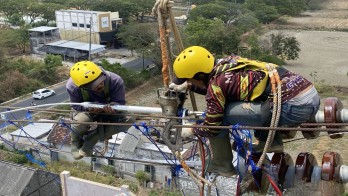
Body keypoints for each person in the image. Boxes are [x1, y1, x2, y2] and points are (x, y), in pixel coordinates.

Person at [170, 46, 320, 176]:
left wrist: (191, 129)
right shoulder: (228, 62)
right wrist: (191, 87)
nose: (188, 82)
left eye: (189, 79)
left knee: (222, 116)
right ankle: (271, 141)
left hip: (294, 107)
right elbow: (223, 90)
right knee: (246, 103)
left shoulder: (216, 84)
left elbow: (212, 125)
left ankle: (222, 165)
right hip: (309, 95)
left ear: (200, 75)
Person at [66, 61, 135, 160]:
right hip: (89, 111)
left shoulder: (115, 80)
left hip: (109, 110)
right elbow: (76, 106)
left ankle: (93, 138)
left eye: (101, 80)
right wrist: (89, 108)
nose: (100, 85)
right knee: (80, 122)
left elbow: (120, 102)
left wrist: (114, 107)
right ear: (84, 87)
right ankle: (76, 141)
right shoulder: (73, 87)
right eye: (95, 85)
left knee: (129, 119)